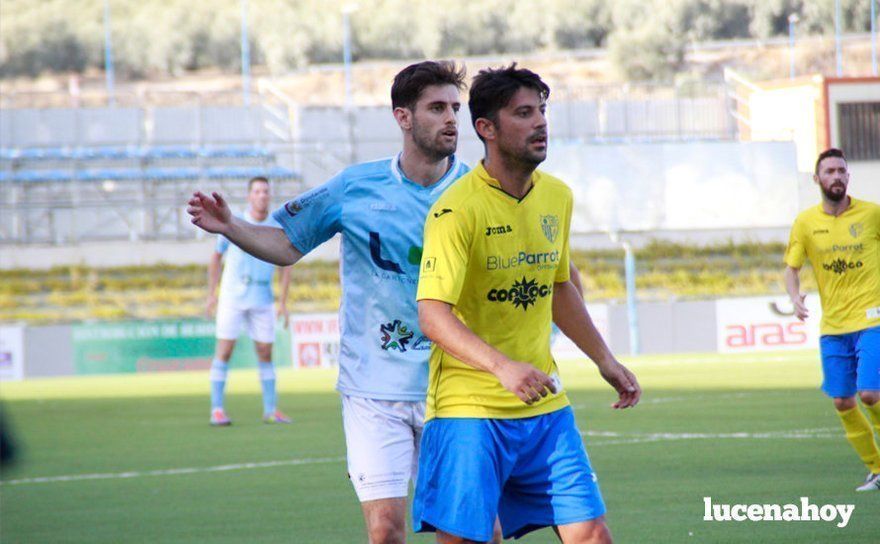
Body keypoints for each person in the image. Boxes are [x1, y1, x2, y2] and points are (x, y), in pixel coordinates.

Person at [189, 61, 480, 544]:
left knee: (468, 533)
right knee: (385, 531)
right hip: (373, 388)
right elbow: (286, 242)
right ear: (402, 117)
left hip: (456, 388)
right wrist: (231, 226)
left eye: (455, 107)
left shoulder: (476, 192)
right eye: (436, 108)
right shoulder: (355, 186)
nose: (451, 119)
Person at [414, 64, 641, 544]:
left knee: (593, 534)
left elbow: (560, 288)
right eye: (523, 113)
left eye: (541, 111)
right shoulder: (455, 211)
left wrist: (605, 360)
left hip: (544, 405)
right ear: (487, 129)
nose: (540, 123)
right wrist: (503, 367)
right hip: (468, 412)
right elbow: (432, 316)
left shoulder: (557, 196)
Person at [784, 147, 880, 492]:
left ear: (848, 176)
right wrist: (794, 297)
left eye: (841, 171)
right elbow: (791, 268)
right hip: (834, 326)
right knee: (843, 401)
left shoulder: (871, 215)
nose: (836, 176)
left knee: (870, 393)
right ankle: (876, 468)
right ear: (817, 179)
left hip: (873, 318)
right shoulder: (806, 223)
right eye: (830, 172)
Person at [206, 176, 292, 426]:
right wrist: (212, 293)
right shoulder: (233, 222)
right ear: (249, 196)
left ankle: (270, 409)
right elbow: (216, 257)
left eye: (265, 191)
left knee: (265, 352)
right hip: (232, 296)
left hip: (262, 297)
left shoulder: (276, 225)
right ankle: (217, 409)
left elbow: (286, 263)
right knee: (225, 350)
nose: (262, 195)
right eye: (257, 191)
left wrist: (283, 301)